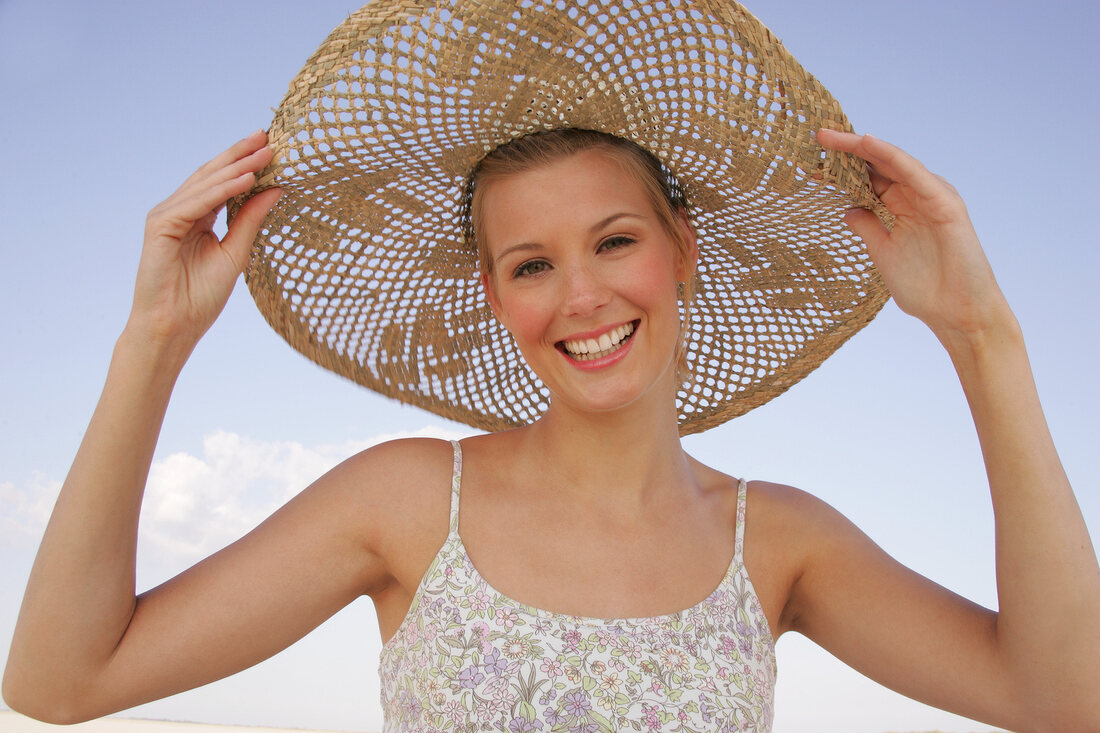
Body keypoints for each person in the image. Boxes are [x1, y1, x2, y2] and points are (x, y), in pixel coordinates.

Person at [3, 2, 1098, 731]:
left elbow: (1063, 694)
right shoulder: (406, 500)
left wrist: (979, 334)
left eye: (614, 240)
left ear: (682, 249)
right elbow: (59, 679)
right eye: (531, 262)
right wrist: (151, 345)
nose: (580, 296)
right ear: (494, 296)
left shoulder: (778, 539)